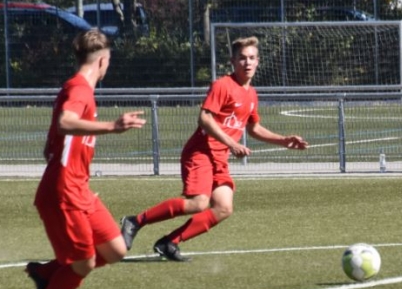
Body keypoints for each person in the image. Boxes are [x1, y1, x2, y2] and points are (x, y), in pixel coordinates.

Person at [120, 36, 308, 262]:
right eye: (242, 58)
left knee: (223, 208)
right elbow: (204, 118)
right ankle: (135, 221)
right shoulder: (222, 86)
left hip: (219, 158)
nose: (247, 63)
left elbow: (253, 128)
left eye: (251, 58)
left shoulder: (251, 94)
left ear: (258, 61)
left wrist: (284, 140)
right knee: (198, 203)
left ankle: (169, 243)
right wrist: (232, 144)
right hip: (200, 153)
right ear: (233, 61)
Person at [26, 29, 147, 289]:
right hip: (65, 191)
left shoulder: (75, 89)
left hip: (78, 187)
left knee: (115, 249)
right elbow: (65, 122)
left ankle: (46, 273)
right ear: (103, 61)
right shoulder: (80, 89)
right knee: (85, 263)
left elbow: (51, 143)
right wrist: (113, 127)